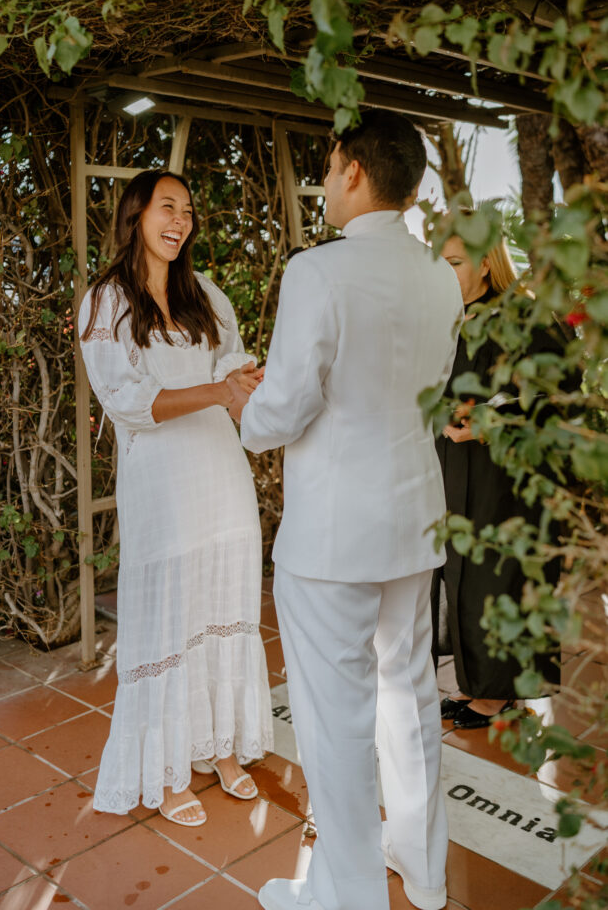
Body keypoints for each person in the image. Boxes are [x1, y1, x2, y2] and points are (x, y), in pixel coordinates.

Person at [227, 111, 463, 910]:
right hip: (413, 519)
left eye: (329, 168)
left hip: (331, 536)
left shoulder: (316, 273)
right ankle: (425, 878)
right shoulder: (440, 273)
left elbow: (286, 407)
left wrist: (242, 409)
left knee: (335, 721)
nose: (324, 182)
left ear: (355, 171)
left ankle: (348, 897)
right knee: (410, 698)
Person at [78, 169, 273, 826]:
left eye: (187, 210)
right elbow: (127, 403)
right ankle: (165, 769)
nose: (179, 220)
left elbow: (231, 368)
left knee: (222, 605)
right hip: (162, 486)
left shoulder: (206, 294)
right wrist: (219, 392)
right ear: (136, 214)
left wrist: (247, 382)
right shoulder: (105, 302)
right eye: (167, 207)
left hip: (221, 475)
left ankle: (218, 748)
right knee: (170, 618)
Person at [433, 235, 572, 729]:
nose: (441, 269)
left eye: (453, 261)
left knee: (499, 577)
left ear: (487, 264)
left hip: (506, 473)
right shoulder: (448, 318)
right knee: (464, 577)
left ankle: (497, 695)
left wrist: (494, 422)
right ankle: (481, 686)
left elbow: (561, 394)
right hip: (454, 464)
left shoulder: (523, 317)